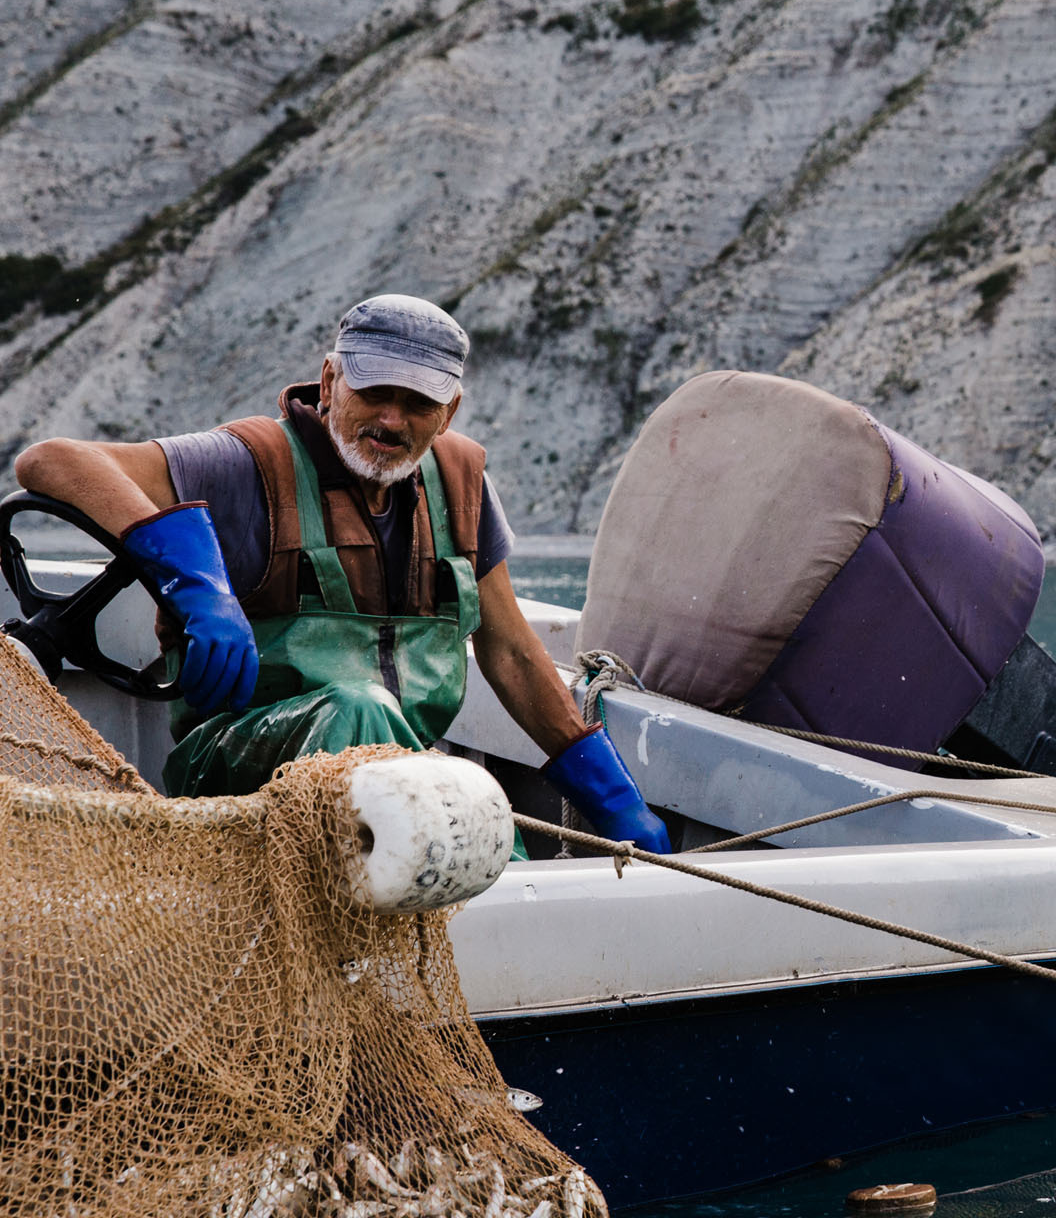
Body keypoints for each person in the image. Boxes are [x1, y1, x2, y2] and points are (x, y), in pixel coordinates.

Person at [14, 294, 669, 852]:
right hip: (235, 779)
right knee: (361, 710)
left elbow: (514, 655)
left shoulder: (462, 488)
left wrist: (614, 800)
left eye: (417, 402)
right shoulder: (245, 464)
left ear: (449, 412)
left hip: (403, 782)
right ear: (330, 383)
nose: (391, 419)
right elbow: (52, 461)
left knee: (446, 802)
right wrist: (198, 584)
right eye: (374, 392)